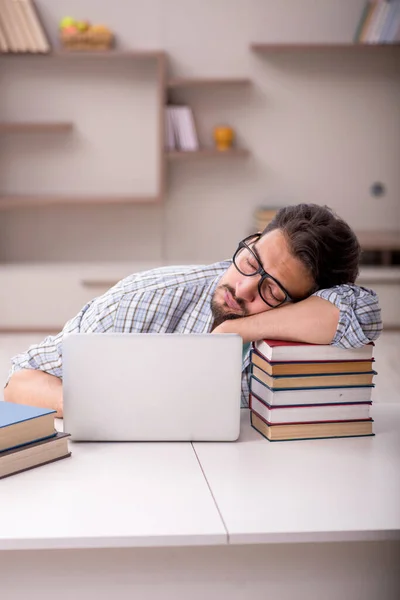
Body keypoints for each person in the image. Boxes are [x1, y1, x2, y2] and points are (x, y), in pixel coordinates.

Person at [4, 203, 382, 417]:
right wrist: (90, 404)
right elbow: (17, 383)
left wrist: (236, 331)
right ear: (251, 240)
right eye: (251, 260)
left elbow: (362, 313)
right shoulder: (145, 297)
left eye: (271, 289)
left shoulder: (308, 316)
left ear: (304, 301)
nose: (243, 287)